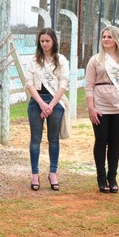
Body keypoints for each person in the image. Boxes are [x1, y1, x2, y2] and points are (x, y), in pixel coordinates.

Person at [85, 25, 119, 193]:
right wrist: (91, 107)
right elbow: (89, 86)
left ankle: (112, 177)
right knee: (100, 142)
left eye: (109, 37)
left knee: (114, 142)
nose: (106, 40)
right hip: (100, 106)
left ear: (116, 39)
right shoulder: (95, 60)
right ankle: (101, 178)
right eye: (104, 37)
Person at [25, 28, 70, 191]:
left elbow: (63, 83)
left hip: (55, 102)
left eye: (47, 41)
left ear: (53, 41)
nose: (44, 44)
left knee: (53, 139)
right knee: (35, 139)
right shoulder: (33, 60)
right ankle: (34, 174)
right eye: (42, 41)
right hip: (37, 101)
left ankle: (53, 173)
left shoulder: (61, 60)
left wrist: (50, 105)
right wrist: (41, 104)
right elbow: (29, 83)